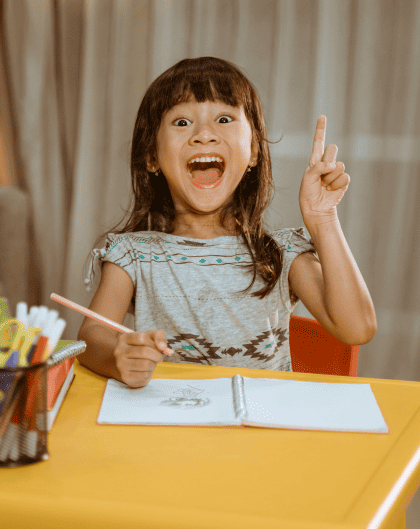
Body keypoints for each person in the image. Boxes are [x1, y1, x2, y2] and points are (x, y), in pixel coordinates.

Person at [77, 56, 376, 389]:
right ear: (152, 157)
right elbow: (91, 337)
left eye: (223, 118)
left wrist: (323, 218)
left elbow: (357, 328)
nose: (204, 135)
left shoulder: (282, 251)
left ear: (253, 152)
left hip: (262, 434)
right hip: (174, 431)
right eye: (181, 122)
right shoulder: (131, 254)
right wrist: (119, 354)